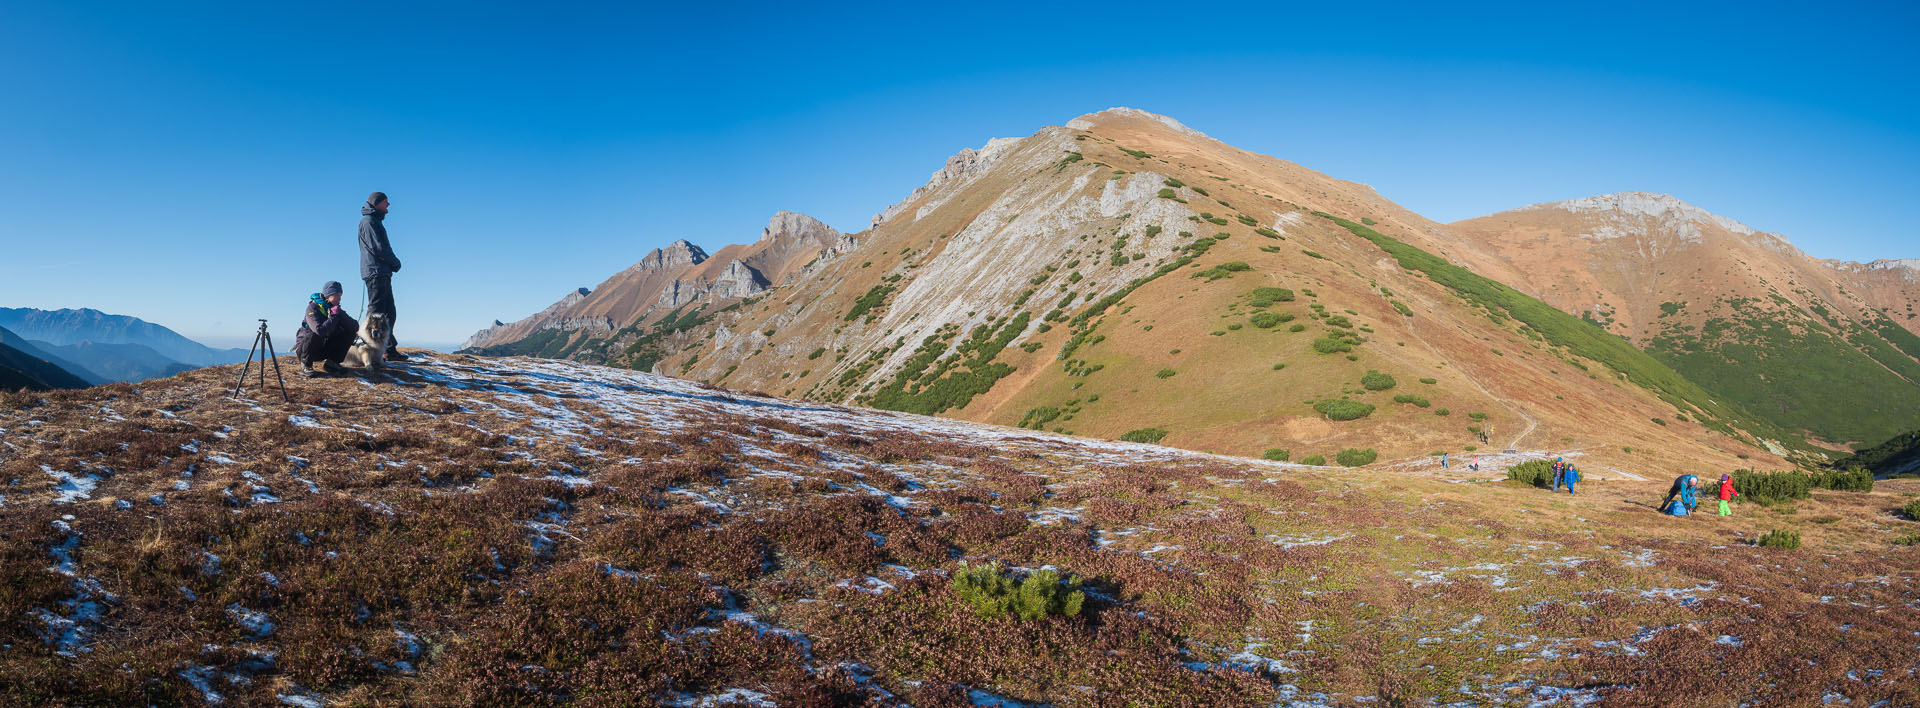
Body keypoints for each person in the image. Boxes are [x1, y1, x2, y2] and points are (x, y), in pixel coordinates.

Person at [358, 191, 408, 361]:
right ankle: (371, 350)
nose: (388, 205)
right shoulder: (368, 222)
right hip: (375, 273)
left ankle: (387, 348)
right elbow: (377, 247)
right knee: (377, 313)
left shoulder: (374, 221)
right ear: (376, 203)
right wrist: (394, 262)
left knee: (388, 313)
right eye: (386, 202)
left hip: (381, 272)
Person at [293, 281, 358, 377]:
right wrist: (334, 317)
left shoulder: (335, 310)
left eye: (340, 295)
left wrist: (340, 314)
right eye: (336, 295)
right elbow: (319, 331)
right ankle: (306, 364)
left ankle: (332, 363)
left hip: (323, 348)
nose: (339, 298)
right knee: (314, 332)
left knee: (350, 333)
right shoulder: (312, 308)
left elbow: (355, 327)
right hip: (306, 349)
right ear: (328, 295)